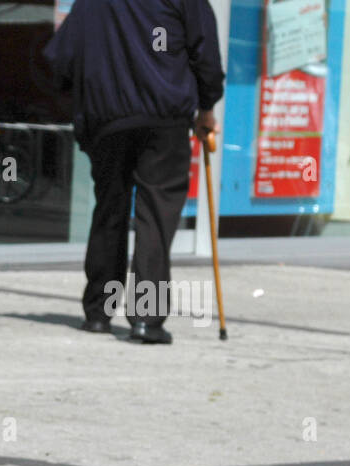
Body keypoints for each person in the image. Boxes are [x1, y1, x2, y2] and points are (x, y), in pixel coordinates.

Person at [46, 0, 225, 344]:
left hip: (106, 118)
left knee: (110, 208)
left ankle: (99, 311)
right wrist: (206, 106)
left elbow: (60, 57)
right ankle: (146, 319)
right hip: (163, 116)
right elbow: (206, 54)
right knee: (156, 214)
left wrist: (89, 88)